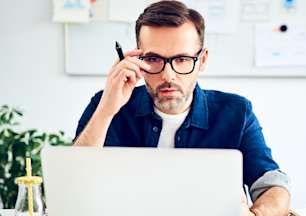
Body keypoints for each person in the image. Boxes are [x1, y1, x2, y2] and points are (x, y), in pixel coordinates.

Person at [74, 1, 290, 215]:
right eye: (153, 59)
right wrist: (106, 111)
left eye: (183, 59)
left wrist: (257, 214)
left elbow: (272, 185)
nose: (168, 75)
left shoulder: (236, 112)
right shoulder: (107, 104)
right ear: (136, 59)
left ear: (202, 60)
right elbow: (74, 184)